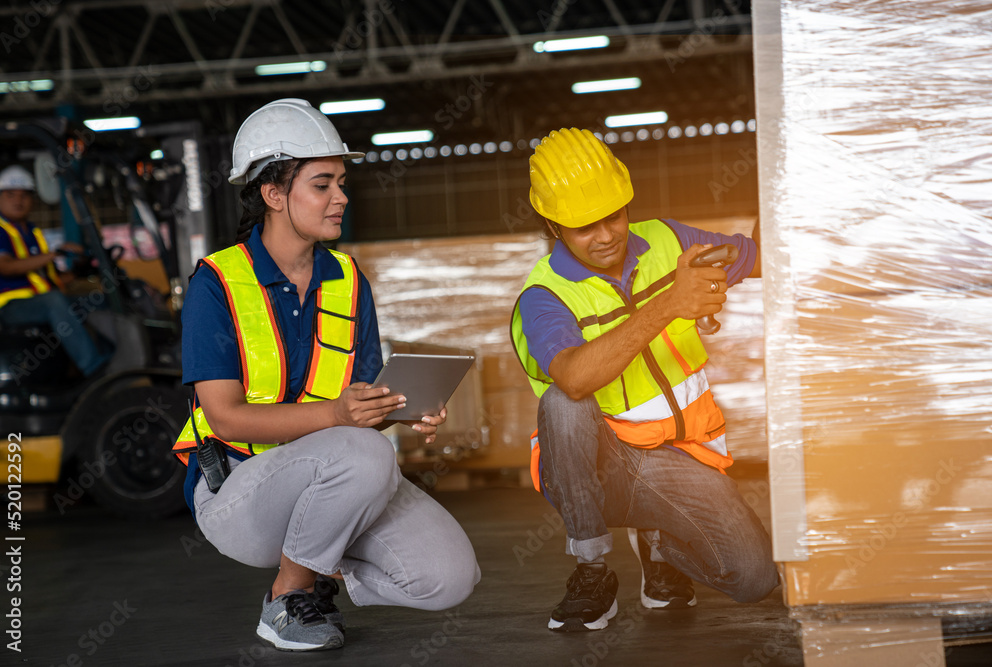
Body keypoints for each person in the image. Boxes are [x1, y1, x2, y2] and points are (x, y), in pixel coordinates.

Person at [171, 98, 480, 652]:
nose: (341, 197)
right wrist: (341, 417)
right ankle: (287, 598)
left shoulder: (347, 280)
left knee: (448, 578)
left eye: (341, 182)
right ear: (273, 194)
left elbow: (357, 405)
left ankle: (318, 571)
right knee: (364, 453)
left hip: (332, 481)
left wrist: (401, 411)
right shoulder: (216, 284)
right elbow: (222, 415)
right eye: (322, 184)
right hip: (238, 493)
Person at [510, 128, 777, 632]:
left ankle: (662, 544)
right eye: (584, 226)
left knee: (754, 579)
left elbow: (761, 257)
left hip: (684, 457)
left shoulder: (670, 240)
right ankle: (591, 569)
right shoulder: (544, 296)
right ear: (552, 226)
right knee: (566, 403)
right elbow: (571, 377)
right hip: (599, 465)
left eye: (613, 215)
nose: (606, 234)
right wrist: (672, 303)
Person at [0, 164, 111, 378]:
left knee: (100, 299)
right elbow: (5, 266)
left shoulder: (32, 232)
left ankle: (114, 360)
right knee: (54, 301)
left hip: (39, 301)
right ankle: (94, 368)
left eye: (24, 196)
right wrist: (53, 254)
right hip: (7, 308)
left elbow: (51, 281)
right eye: (10, 195)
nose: (18, 201)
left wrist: (79, 271)